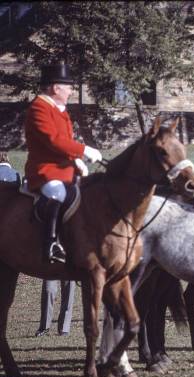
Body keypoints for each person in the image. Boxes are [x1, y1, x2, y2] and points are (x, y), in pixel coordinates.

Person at [24, 63, 102, 263]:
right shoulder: (38, 108)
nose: (71, 90)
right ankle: (50, 244)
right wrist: (83, 150)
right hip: (45, 172)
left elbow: (65, 140)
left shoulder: (60, 110)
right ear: (56, 88)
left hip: (66, 171)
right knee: (57, 193)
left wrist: (76, 160)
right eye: (68, 86)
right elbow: (53, 140)